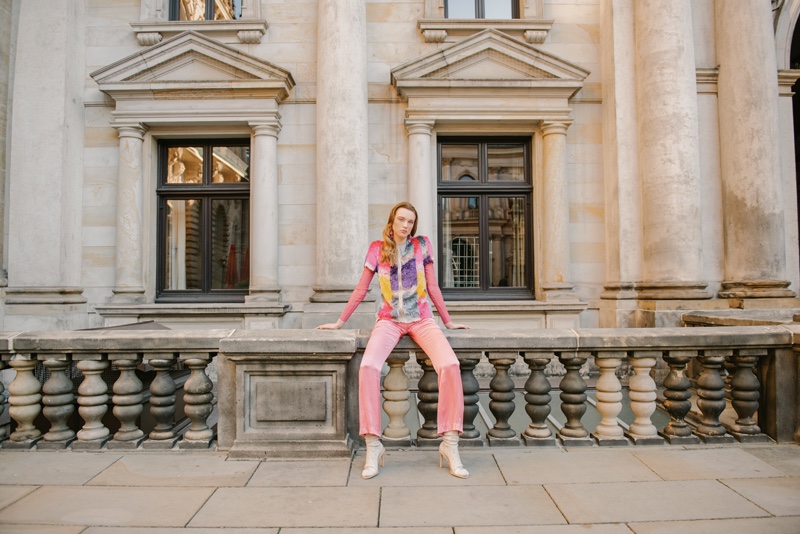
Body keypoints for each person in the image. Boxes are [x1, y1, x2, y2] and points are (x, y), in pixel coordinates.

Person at [317, 201, 470, 479]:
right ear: (392, 220)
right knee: (368, 367)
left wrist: (447, 320)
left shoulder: (422, 245)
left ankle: (450, 444)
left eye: (410, 222)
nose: (405, 225)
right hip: (388, 320)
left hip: (422, 319)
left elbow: (433, 286)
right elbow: (362, 289)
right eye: (401, 219)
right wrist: (340, 322)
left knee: (450, 365)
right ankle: (373, 446)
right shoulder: (378, 249)